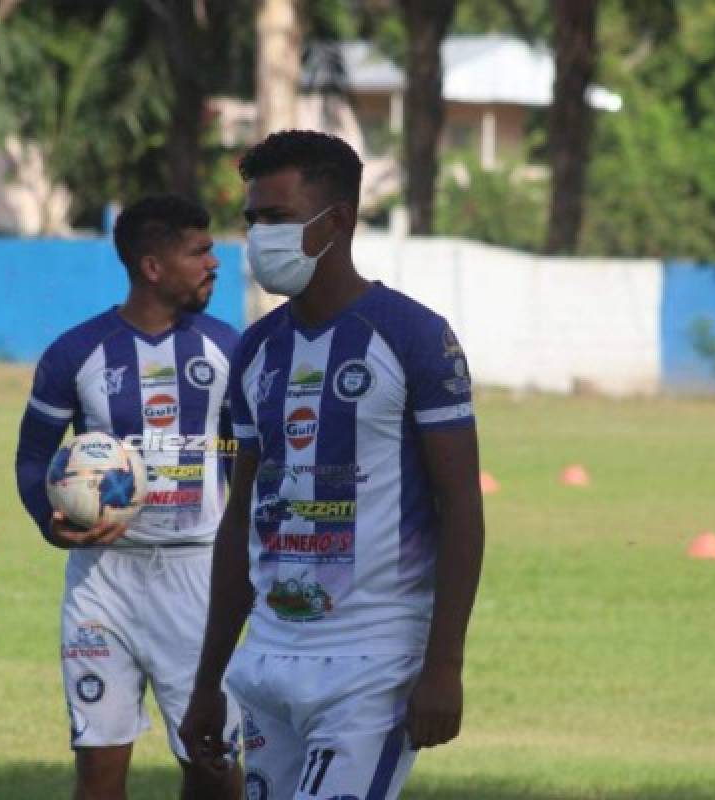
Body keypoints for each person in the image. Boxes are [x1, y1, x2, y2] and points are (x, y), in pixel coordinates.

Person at [180, 130, 485, 800]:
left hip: (373, 664)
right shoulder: (256, 351)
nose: (259, 236)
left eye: (278, 218)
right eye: (253, 219)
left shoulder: (414, 338)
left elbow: (461, 507)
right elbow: (240, 520)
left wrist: (444, 666)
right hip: (267, 662)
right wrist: (207, 682)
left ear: (336, 221)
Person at [15, 194, 243, 800]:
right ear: (152, 266)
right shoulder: (75, 353)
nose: (214, 263)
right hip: (101, 582)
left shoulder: (229, 350)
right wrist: (48, 519)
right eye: (199, 251)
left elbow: (253, 459)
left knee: (215, 767)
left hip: (198, 577)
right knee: (97, 768)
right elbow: (34, 455)